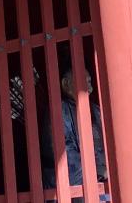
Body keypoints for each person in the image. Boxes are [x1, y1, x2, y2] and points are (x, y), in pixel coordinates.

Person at [39, 65, 109, 199]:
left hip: (101, 185)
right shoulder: (59, 111)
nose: (90, 89)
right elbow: (63, 155)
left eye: (90, 82)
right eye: (86, 82)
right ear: (66, 84)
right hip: (73, 191)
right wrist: (97, 171)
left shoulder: (96, 110)